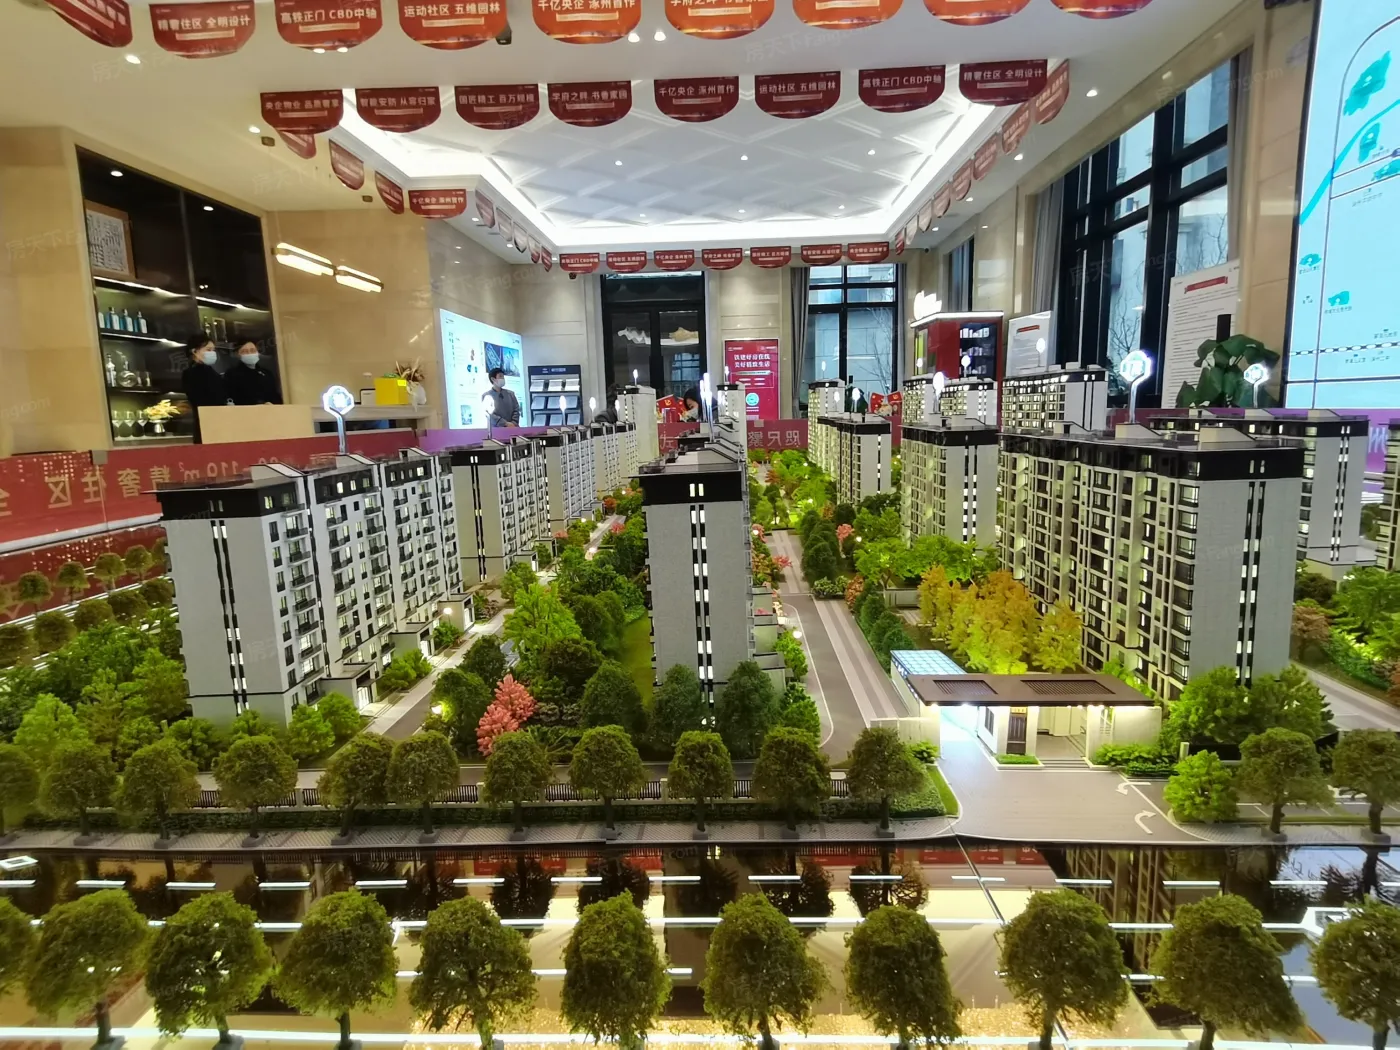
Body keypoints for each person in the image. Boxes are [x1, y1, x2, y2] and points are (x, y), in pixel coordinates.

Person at [180, 336, 229, 444]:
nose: (212, 353)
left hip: (219, 422)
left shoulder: (210, 371)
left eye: (213, 350)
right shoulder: (191, 373)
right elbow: (199, 399)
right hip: (205, 424)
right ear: (195, 351)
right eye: (208, 350)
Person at [224, 342, 281, 406]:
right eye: (245, 351)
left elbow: (274, 394)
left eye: (253, 350)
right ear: (238, 355)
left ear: (258, 353)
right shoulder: (232, 374)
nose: (249, 353)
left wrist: (273, 404)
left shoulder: (266, 373)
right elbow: (232, 397)